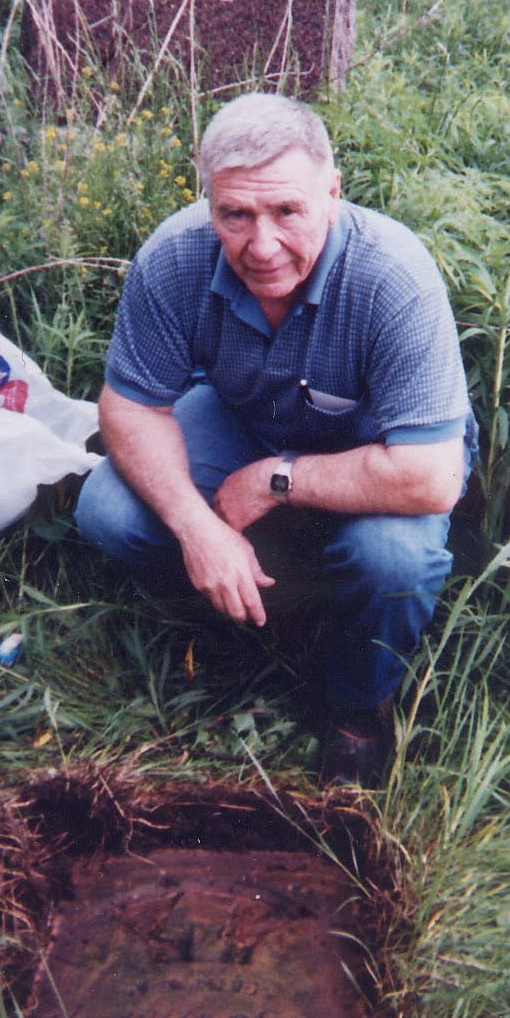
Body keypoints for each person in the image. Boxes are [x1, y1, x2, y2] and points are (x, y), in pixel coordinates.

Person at [76, 92, 476, 784]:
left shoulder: (393, 276)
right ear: (210, 205)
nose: (261, 246)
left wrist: (275, 479)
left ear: (331, 192)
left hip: (383, 450)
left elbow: (430, 475)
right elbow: (129, 410)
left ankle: (356, 705)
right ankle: (250, 614)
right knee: (106, 509)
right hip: (245, 419)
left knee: (390, 558)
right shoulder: (173, 257)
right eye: (235, 214)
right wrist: (198, 529)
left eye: (287, 211)